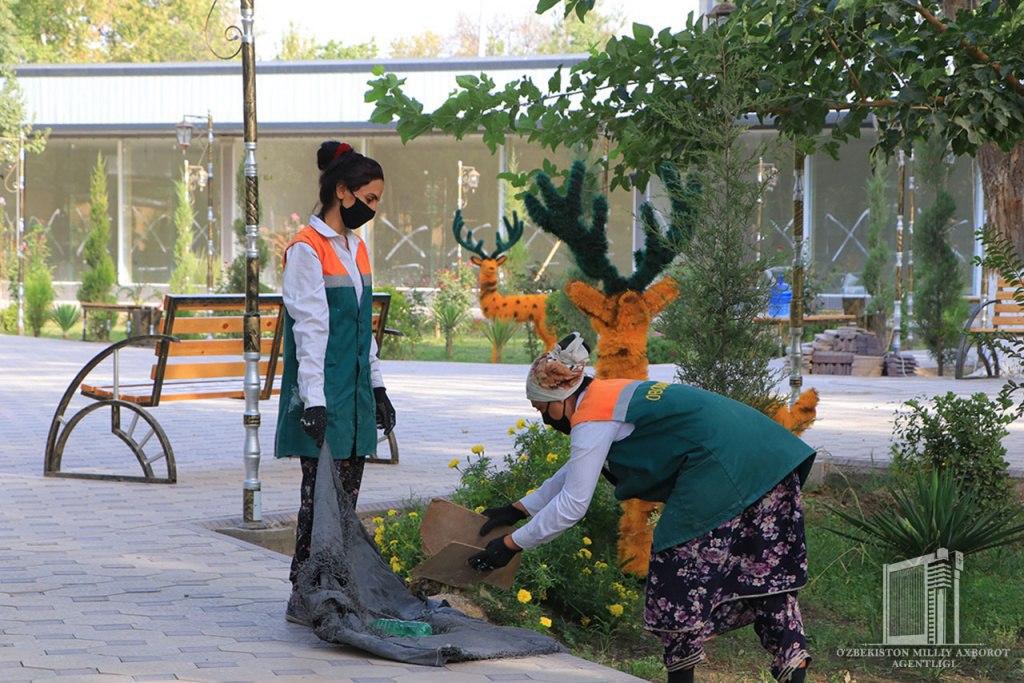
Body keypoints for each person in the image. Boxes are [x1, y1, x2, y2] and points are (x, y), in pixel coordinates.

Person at [468, 333, 815, 683]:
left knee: (678, 566)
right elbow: (579, 467)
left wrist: (510, 545)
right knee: (765, 571)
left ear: (560, 396)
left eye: (542, 408)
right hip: (769, 458)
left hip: (722, 465)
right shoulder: (606, 395)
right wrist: (518, 509)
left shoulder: (592, 418)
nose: (544, 418)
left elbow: (573, 505)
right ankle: (792, 663)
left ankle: (682, 677)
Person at [275, 140, 396, 626]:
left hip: (356, 392)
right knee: (319, 496)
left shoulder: (356, 248)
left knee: (346, 501)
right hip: (323, 393)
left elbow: (362, 326)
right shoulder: (307, 250)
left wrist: (380, 387)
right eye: (368, 199)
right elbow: (309, 328)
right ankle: (304, 594)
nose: (372, 209)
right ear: (342, 192)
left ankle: (335, 591)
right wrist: (314, 401)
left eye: (377, 201)